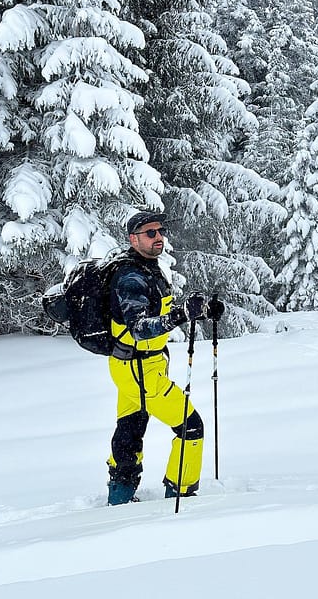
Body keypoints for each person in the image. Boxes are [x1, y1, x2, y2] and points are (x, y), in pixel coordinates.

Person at [106, 210, 224, 505]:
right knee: (191, 425)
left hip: (136, 365)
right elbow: (140, 328)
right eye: (150, 233)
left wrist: (202, 311)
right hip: (138, 366)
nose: (158, 237)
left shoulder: (147, 268)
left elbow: (158, 313)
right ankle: (182, 493)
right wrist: (181, 315)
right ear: (134, 239)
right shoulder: (131, 277)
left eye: (160, 231)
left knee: (129, 430)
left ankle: (119, 499)